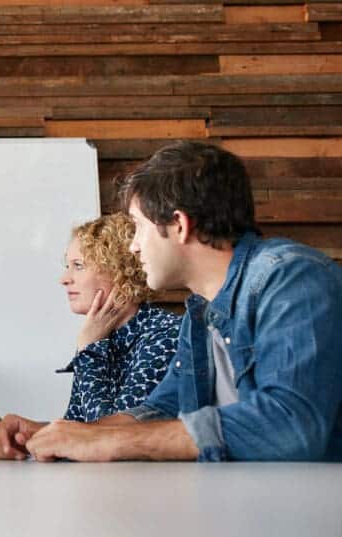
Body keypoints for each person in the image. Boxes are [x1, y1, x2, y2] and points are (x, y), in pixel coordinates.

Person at [17, 141, 342, 462]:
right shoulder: (200, 311)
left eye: (139, 227)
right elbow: (162, 410)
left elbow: (291, 423)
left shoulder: (291, 279)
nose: (133, 246)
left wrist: (112, 441)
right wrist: (52, 436)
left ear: (180, 225)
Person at [0, 214, 180, 459]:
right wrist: (32, 433)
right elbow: (81, 425)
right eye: (67, 266)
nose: (64, 279)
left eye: (78, 266)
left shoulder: (164, 334)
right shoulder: (103, 335)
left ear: (120, 271)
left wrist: (89, 349)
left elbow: (111, 440)